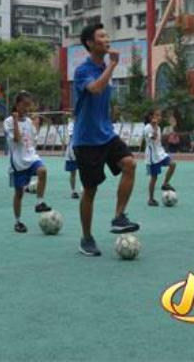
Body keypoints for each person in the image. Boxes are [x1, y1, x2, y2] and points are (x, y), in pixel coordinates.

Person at [73, 24, 139, 257]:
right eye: (102, 36)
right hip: (86, 140)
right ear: (90, 43)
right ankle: (86, 238)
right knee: (90, 190)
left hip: (106, 134)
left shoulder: (102, 68)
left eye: (107, 35)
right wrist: (112, 65)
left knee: (130, 164)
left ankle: (119, 216)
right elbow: (95, 89)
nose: (107, 39)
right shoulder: (83, 70)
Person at [4, 91, 52, 233]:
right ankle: (18, 222)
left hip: (31, 157)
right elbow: (17, 139)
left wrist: (37, 125)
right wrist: (15, 120)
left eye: (28, 106)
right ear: (17, 105)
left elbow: (32, 141)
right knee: (19, 194)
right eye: (24, 105)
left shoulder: (29, 121)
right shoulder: (8, 122)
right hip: (18, 162)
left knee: (42, 171)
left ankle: (39, 202)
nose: (26, 108)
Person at [144, 109, 177, 207]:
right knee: (154, 178)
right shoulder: (147, 128)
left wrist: (171, 129)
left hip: (160, 153)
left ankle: (165, 184)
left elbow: (159, 140)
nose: (160, 117)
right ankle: (150, 199)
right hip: (152, 156)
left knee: (173, 164)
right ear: (151, 117)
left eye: (160, 115)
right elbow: (153, 138)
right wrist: (154, 127)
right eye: (157, 115)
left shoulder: (158, 127)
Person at [63, 115, 80, 199]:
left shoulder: (84, 122)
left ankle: (85, 188)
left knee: (86, 170)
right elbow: (72, 136)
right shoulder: (71, 124)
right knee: (73, 172)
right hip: (72, 151)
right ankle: (73, 191)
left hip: (83, 150)